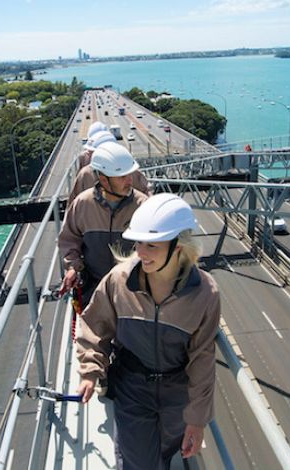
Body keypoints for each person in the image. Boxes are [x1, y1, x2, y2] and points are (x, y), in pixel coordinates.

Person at [75, 193, 221, 469]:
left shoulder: (205, 293)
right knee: (137, 461)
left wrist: (197, 420)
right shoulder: (119, 280)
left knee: (165, 453)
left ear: (179, 247)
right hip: (132, 386)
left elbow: (202, 358)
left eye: (152, 245)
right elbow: (95, 326)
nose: (140, 252)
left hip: (176, 393)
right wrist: (90, 371)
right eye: (139, 242)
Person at [58, 141, 149, 306]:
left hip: (133, 293)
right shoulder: (82, 204)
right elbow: (69, 239)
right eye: (122, 177)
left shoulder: (143, 206)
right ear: (103, 179)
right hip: (94, 290)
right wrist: (73, 268)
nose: (129, 181)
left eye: (130, 174)